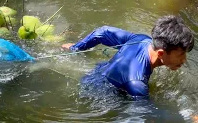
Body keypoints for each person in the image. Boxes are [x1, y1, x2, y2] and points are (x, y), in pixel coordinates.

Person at [62, 15, 194, 98]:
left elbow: (102, 32)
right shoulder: (137, 84)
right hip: (100, 92)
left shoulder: (142, 40)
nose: (184, 60)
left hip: (101, 70)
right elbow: (146, 114)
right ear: (160, 53)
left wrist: (76, 48)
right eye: (181, 55)